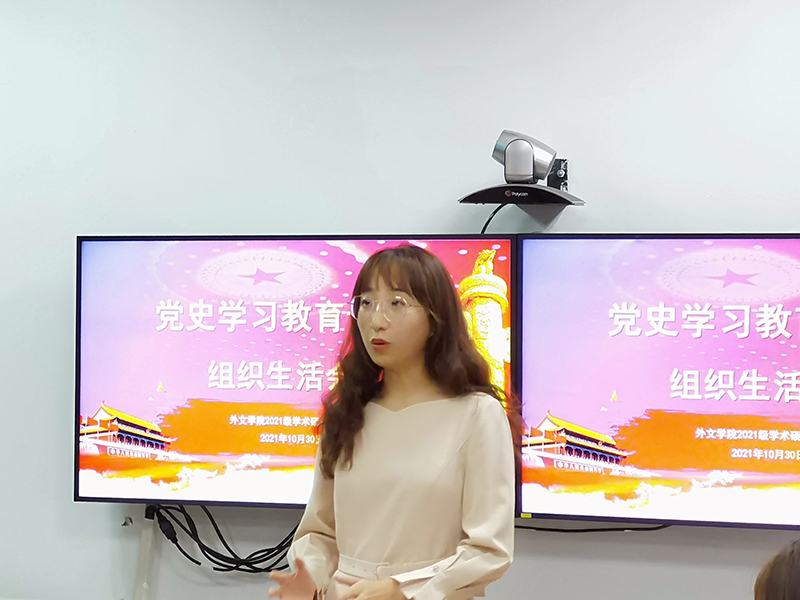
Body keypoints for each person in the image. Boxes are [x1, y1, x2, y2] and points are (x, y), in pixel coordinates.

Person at [269, 244, 516, 600]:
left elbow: (489, 549)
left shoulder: (477, 413)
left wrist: (403, 589)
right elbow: (319, 532)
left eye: (396, 303)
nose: (376, 320)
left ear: (435, 319)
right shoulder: (348, 413)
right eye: (366, 303)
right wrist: (311, 577)